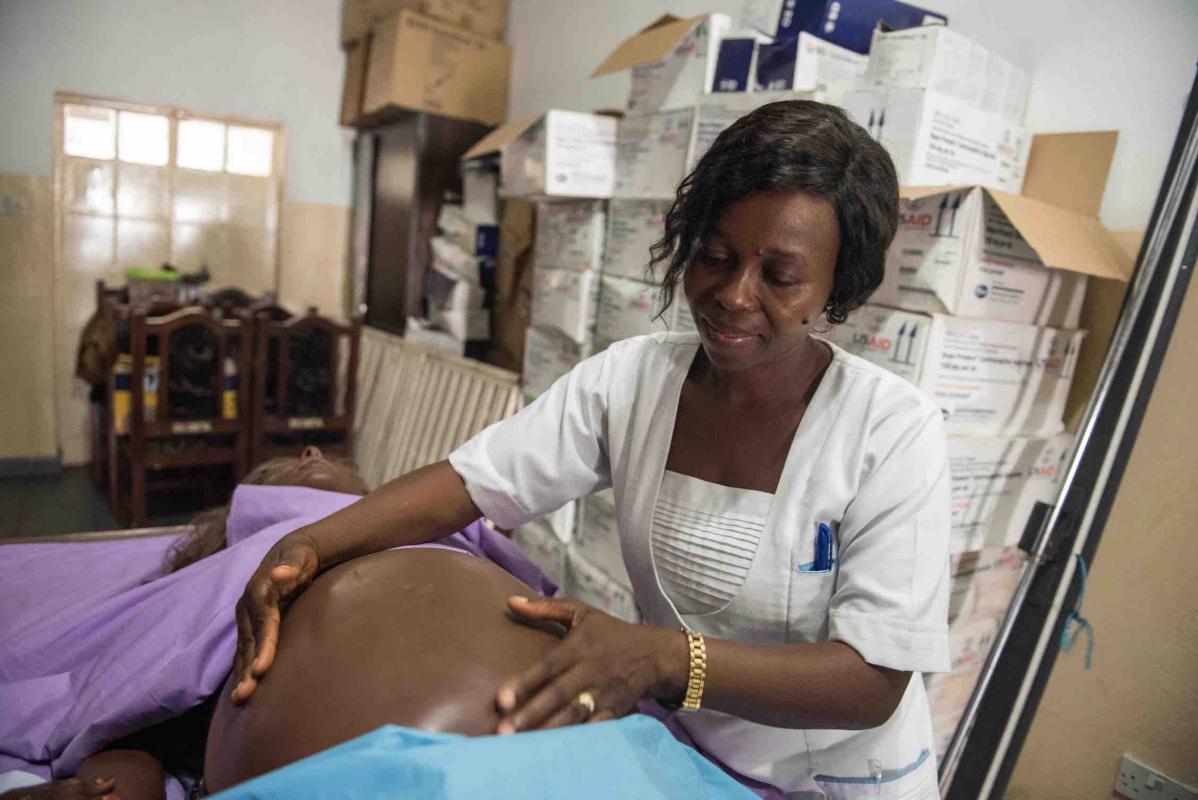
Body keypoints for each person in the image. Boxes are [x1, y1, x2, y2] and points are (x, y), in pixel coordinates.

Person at [232, 100, 952, 797]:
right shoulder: (634, 380)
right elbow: (472, 483)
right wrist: (308, 547)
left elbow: (871, 683)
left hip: (835, 783)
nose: (734, 294)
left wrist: (667, 660)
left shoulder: (891, 431)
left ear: (835, 288)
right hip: (687, 757)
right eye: (715, 255)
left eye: (780, 276)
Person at [0, 449, 559, 800]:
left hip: (536, 724)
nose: (312, 450)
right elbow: (142, 708)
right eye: (280, 468)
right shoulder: (235, 571)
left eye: (328, 457)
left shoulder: (445, 524)